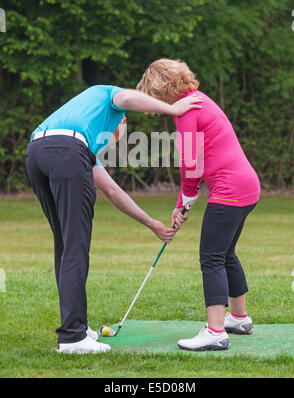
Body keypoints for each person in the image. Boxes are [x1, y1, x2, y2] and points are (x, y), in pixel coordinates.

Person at [25, 84, 202, 354]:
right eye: (122, 129)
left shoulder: (80, 137)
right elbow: (129, 97)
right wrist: (172, 108)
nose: (119, 134)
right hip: (65, 153)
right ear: (121, 118)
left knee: (65, 244)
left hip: (37, 153)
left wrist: (152, 224)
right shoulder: (107, 96)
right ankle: (72, 338)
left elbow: (112, 190)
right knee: (74, 246)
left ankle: (76, 328)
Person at [137, 58, 261, 351]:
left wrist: (188, 196)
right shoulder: (198, 99)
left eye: (154, 96)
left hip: (230, 189)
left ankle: (216, 331)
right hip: (247, 186)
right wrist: (184, 202)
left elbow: (190, 161)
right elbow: (199, 161)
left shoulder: (185, 110)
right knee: (226, 253)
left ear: (163, 88)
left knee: (212, 257)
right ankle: (239, 318)